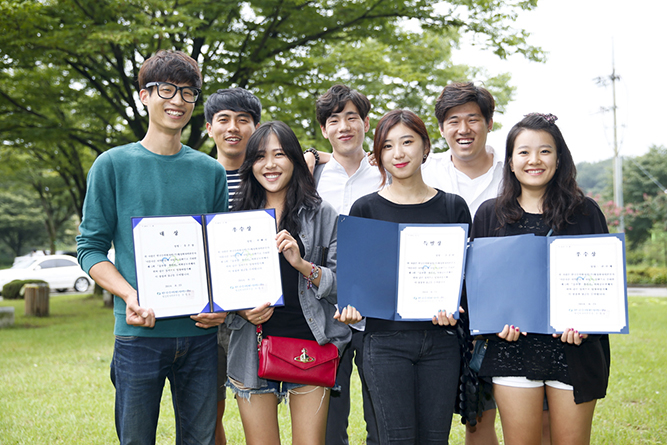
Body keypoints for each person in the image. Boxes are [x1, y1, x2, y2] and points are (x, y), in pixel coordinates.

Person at [76, 50, 229, 444]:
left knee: (201, 439)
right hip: (137, 335)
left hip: (199, 334)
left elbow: (218, 254)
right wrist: (129, 294)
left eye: (188, 92)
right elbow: (90, 248)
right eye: (166, 90)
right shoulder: (111, 165)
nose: (178, 100)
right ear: (144, 96)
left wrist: (220, 304)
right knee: (136, 438)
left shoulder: (210, 170)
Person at [470, 113, 611, 444]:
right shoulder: (490, 215)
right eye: (524, 152)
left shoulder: (586, 212)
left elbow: (603, 285)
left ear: (559, 158)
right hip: (512, 351)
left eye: (545, 151)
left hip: (574, 352)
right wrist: (494, 322)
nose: (534, 160)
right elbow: (477, 290)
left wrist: (589, 322)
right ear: (510, 161)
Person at [339, 109, 472, 444]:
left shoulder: (453, 208)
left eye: (407, 142)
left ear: (426, 146)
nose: (398, 154)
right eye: (387, 146)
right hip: (385, 343)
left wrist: (457, 307)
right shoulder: (365, 209)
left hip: (441, 342)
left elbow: (465, 281)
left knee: (434, 439)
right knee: (394, 439)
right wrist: (353, 306)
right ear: (379, 154)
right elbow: (357, 282)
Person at [224, 121, 352, 445]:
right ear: (250, 164)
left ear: (295, 159)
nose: (270, 164)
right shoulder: (234, 217)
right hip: (251, 350)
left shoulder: (323, 213)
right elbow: (220, 287)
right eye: (260, 156)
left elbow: (343, 286)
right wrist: (240, 312)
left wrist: (302, 264)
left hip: (310, 344)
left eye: (279, 154)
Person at [313, 84, 381, 445]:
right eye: (334, 120)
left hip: (377, 310)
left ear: (366, 123)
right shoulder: (311, 177)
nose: (344, 126)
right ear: (325, 130)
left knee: (381, 415)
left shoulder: (386, 172)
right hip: (324, 310)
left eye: (352, 117)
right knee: (328, 423)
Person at [204, 87, 262, 445]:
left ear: (255, 127)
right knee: (208, 409)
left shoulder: (269, 174)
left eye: (243, 120)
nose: (233, 128)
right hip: (208, 313)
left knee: (257, 406)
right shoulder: (195, 175)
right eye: (223, 119)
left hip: (258, 309)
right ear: (209, 127)